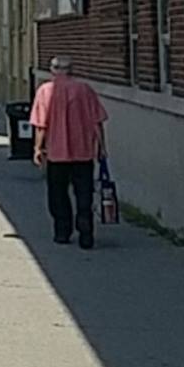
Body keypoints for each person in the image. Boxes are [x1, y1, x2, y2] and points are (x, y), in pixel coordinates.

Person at [30, 55, 108, 249]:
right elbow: (96, 121)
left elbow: (41, 124)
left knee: (57, 193)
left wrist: (38, 148)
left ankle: (62, 231)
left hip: (56, 152)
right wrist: (102, 147)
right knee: (84, 191)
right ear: (71, 70)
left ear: (53, 70)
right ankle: (85, 229)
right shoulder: (85, 90)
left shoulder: (45, 91)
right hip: (83, 151)